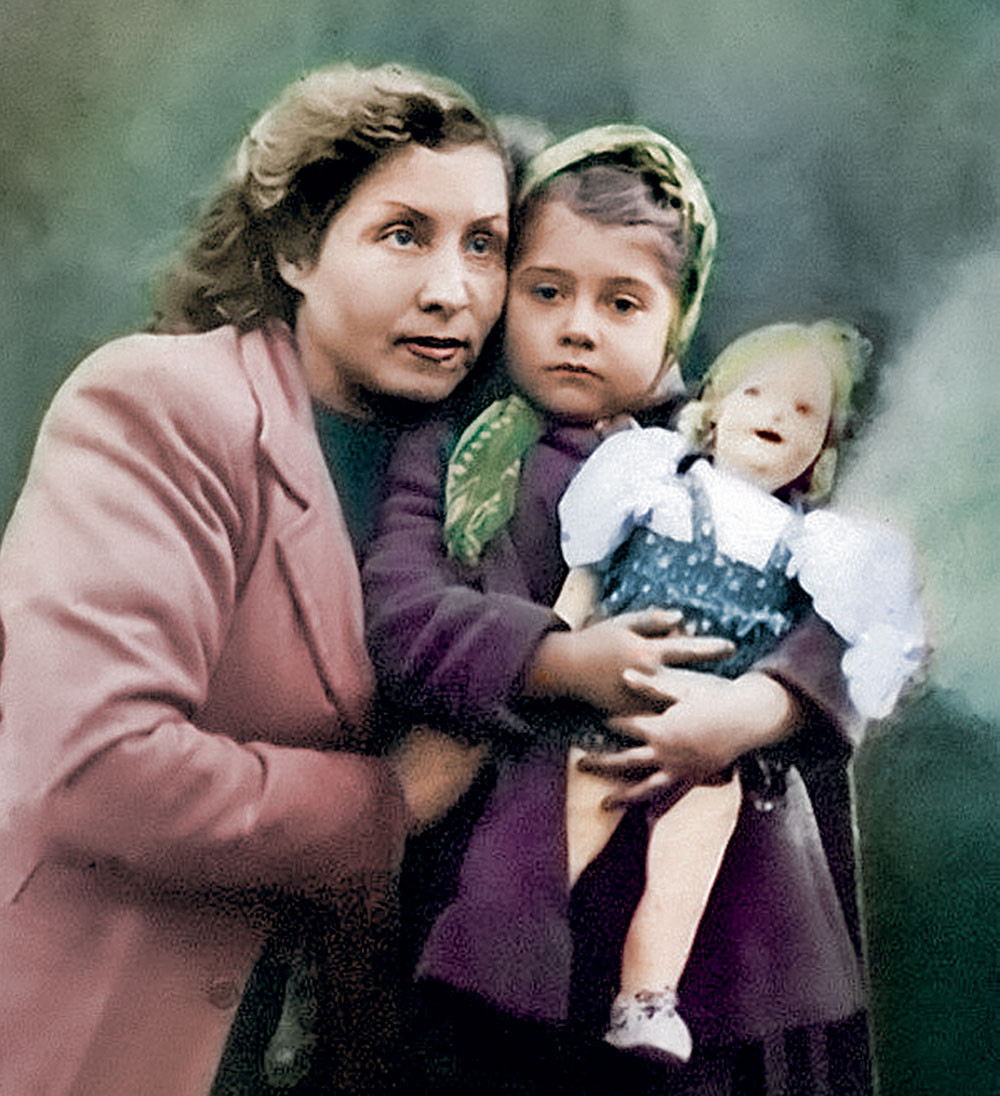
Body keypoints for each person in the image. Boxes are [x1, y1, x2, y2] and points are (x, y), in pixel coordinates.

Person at [0, 60, 511, 1096]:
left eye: (484, 245)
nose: (452, 290)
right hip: (128, 1036)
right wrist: (389, 803)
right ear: (294, 248)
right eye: (403, 234)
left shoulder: (481, 464)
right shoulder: (159, 405)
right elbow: (94, 767)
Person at [363, 126, 882, 1093]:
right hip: (515, 865)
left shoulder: (728, 466)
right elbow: (405, 617)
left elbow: (846, 621)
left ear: (677, 328)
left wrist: (756, 708)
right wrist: (562, 661)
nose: (578, 328)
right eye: (546, 292)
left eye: (622, 303)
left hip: (700, 895)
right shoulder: (457, 452)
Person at [555, 319, 924, 1066]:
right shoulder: (657, 483)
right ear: (714, 407)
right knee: (571, 825)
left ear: (822, 449)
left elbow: (867, 633)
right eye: (757, 392)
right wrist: (560, 645)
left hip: (715, 727)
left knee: (697, 837)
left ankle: (647, 994)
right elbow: (583, 572)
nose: (776, 414)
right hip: (621, 694)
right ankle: (523, 948)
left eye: (804, 410)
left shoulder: (810, 544)